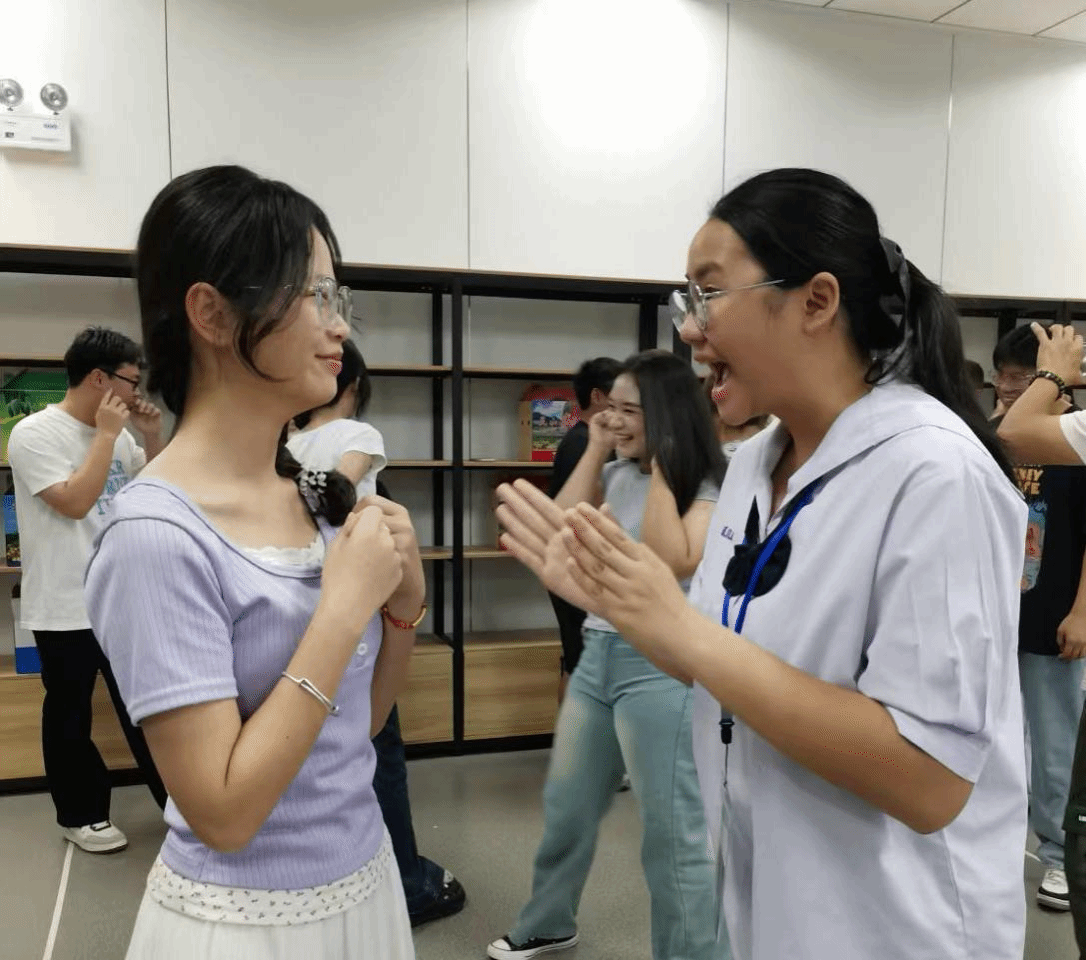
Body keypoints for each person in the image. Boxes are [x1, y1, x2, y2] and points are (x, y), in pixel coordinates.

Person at [497, 168, 1029, 960]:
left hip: (899, 928)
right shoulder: (751, 467)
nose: (689, 329)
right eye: (687, 300)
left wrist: (684, 631)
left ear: (816, 301)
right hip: (773, 906)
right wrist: (632, 611)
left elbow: (929, 779)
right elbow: (734, 666)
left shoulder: (934, 473)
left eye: (709, 293)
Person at [83, 165, 424, 959]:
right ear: (210, 312)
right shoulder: (154, 536)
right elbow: (225, 814)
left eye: (339, 300)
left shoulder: (309, 495)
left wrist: (404, 606)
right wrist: (344, 609)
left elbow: (360, 726)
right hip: (246, 926)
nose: (339, 328)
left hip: (365, 886)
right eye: (315, 296)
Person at [488, 350, 727, 960]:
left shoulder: (706, 484)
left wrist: (666, 465)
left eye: (628, 411)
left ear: (667, 416)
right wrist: (595, 450)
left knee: (671, 834)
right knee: (567, 806)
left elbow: (672, 559)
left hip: (661, 665)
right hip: (599, 653)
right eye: (608, 408)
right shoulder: (618, 473)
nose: (611, 420)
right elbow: (560, 529)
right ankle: (548, 921)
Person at [289, 347, 466, 927]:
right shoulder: (357, 431)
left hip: (302, 616)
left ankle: (354, 868)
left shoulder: (285, 444)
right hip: (359, 613)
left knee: (323, 752)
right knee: (380, 749)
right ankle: (407, 885)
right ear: (355, 383)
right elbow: (346, 479)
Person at [7, 327, 168, 853]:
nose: (136, 391)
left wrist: (150, 438)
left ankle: (181, 804)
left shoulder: (121, 435)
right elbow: (75, 503)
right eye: (130, 380)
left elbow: (156, 495)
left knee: (150, 708)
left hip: (124, 598)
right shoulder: (33, 433)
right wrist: (105, 436)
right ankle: (82, 815)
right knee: (70, 712)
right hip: (64, 603)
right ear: (99, 378)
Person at [988, 324, 1086, 912]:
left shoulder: (1074, 438)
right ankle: (991, 847)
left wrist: (1082, 611)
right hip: (994, 616)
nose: (1006, 387)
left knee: (1055, 747)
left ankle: (1057, 856)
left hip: (1054, 616)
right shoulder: (992, 435)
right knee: (988, 738)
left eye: (1019, 378)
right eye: (1001, 376)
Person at [547, 357, 621, 699]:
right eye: (618, 399)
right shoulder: (583, 443)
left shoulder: (582, 440)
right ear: (597, 396)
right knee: (581, 663)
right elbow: (576, 512)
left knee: (575, 660)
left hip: (578, 563)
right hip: (577, 564)